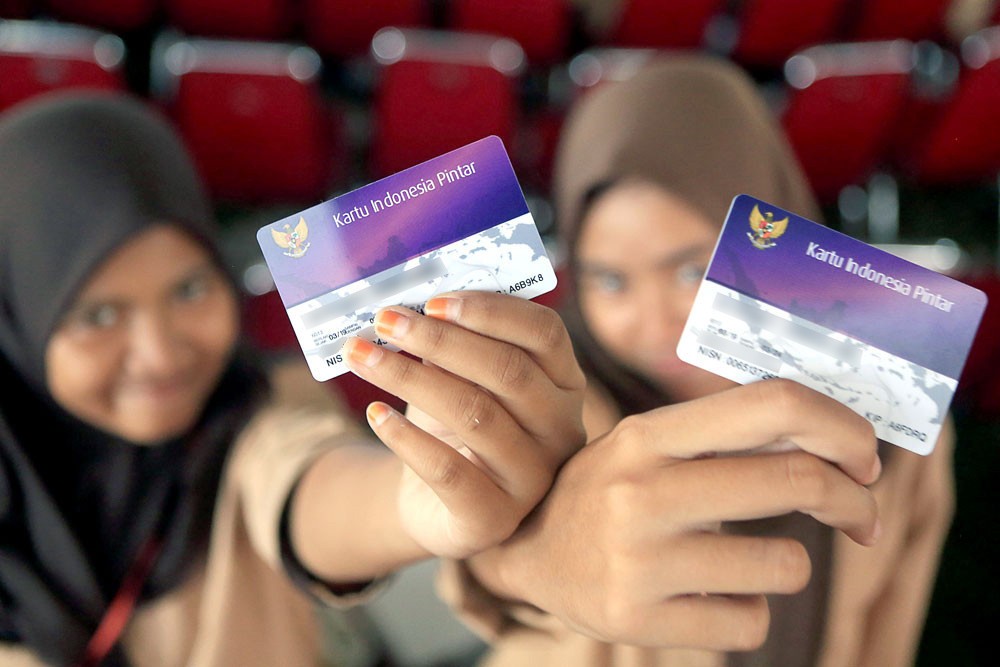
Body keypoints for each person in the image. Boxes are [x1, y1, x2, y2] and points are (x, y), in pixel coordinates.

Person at [0, 93, 587, 666]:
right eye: (97, 316)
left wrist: (410, 504)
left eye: (189, 289)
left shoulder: (265, 404)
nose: (158, 354)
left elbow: (301, 477)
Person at [429, 55, 955, 667]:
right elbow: (485, 587)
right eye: (611, 280)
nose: (656, 324)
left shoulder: (899, 420)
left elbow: (890, 629)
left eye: (689, 269)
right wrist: (522, 557)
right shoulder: (546, 408)